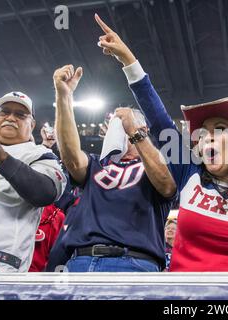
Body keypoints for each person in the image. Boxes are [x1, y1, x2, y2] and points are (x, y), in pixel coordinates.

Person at [95, 14, 228, 271]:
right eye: (203, 133)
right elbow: (160, 121)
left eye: (219, 129)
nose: (206, 136)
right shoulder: (190, 173)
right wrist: (129, 61)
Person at [52, 62, 177, 272]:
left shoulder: (159, 163)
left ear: (142, 128)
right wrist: (64, 96)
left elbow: (166, 185)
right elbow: (71, 157)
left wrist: (135, 133)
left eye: (118, 124)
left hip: (134, 263)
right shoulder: (96, 165)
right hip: (80, 261)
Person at [0, 92, 67, 272]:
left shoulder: (40, 154)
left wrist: (0, 155)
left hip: (0, 261)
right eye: (4, 112)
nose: (10, 118)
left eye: (20, 115)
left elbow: (45, 193)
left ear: (31, 125)